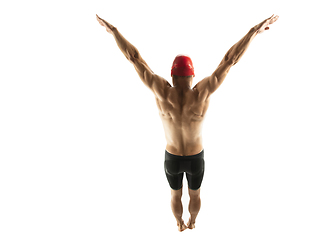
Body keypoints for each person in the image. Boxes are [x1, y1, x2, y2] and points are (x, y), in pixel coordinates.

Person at [96, 14, 279, 232]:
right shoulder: (202, 92)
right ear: (193, 76)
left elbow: (134, 58)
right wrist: (253, 31)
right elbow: (230, 60)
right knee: (196, 194)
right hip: (195, 157)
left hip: (172, 157)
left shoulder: (161, 91)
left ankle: (178, 223)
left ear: (172, 75)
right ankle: (193, 221)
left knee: (175, 194)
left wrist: (114, 30)